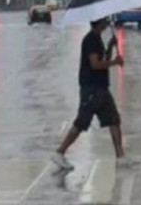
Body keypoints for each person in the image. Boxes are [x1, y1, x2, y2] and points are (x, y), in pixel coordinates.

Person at [51, 18, 124, 170]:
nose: (107, 22)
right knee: (81, 123)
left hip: (101, 88)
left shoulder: (97, 39)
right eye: (105, 20)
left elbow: (103, 60)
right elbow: (95, 64)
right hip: (91, 89)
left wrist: (110, 47)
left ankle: (121, 157)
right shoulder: (90, 40)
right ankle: (60, 152)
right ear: (100, 23)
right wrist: (115, 63)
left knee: (114, 120)